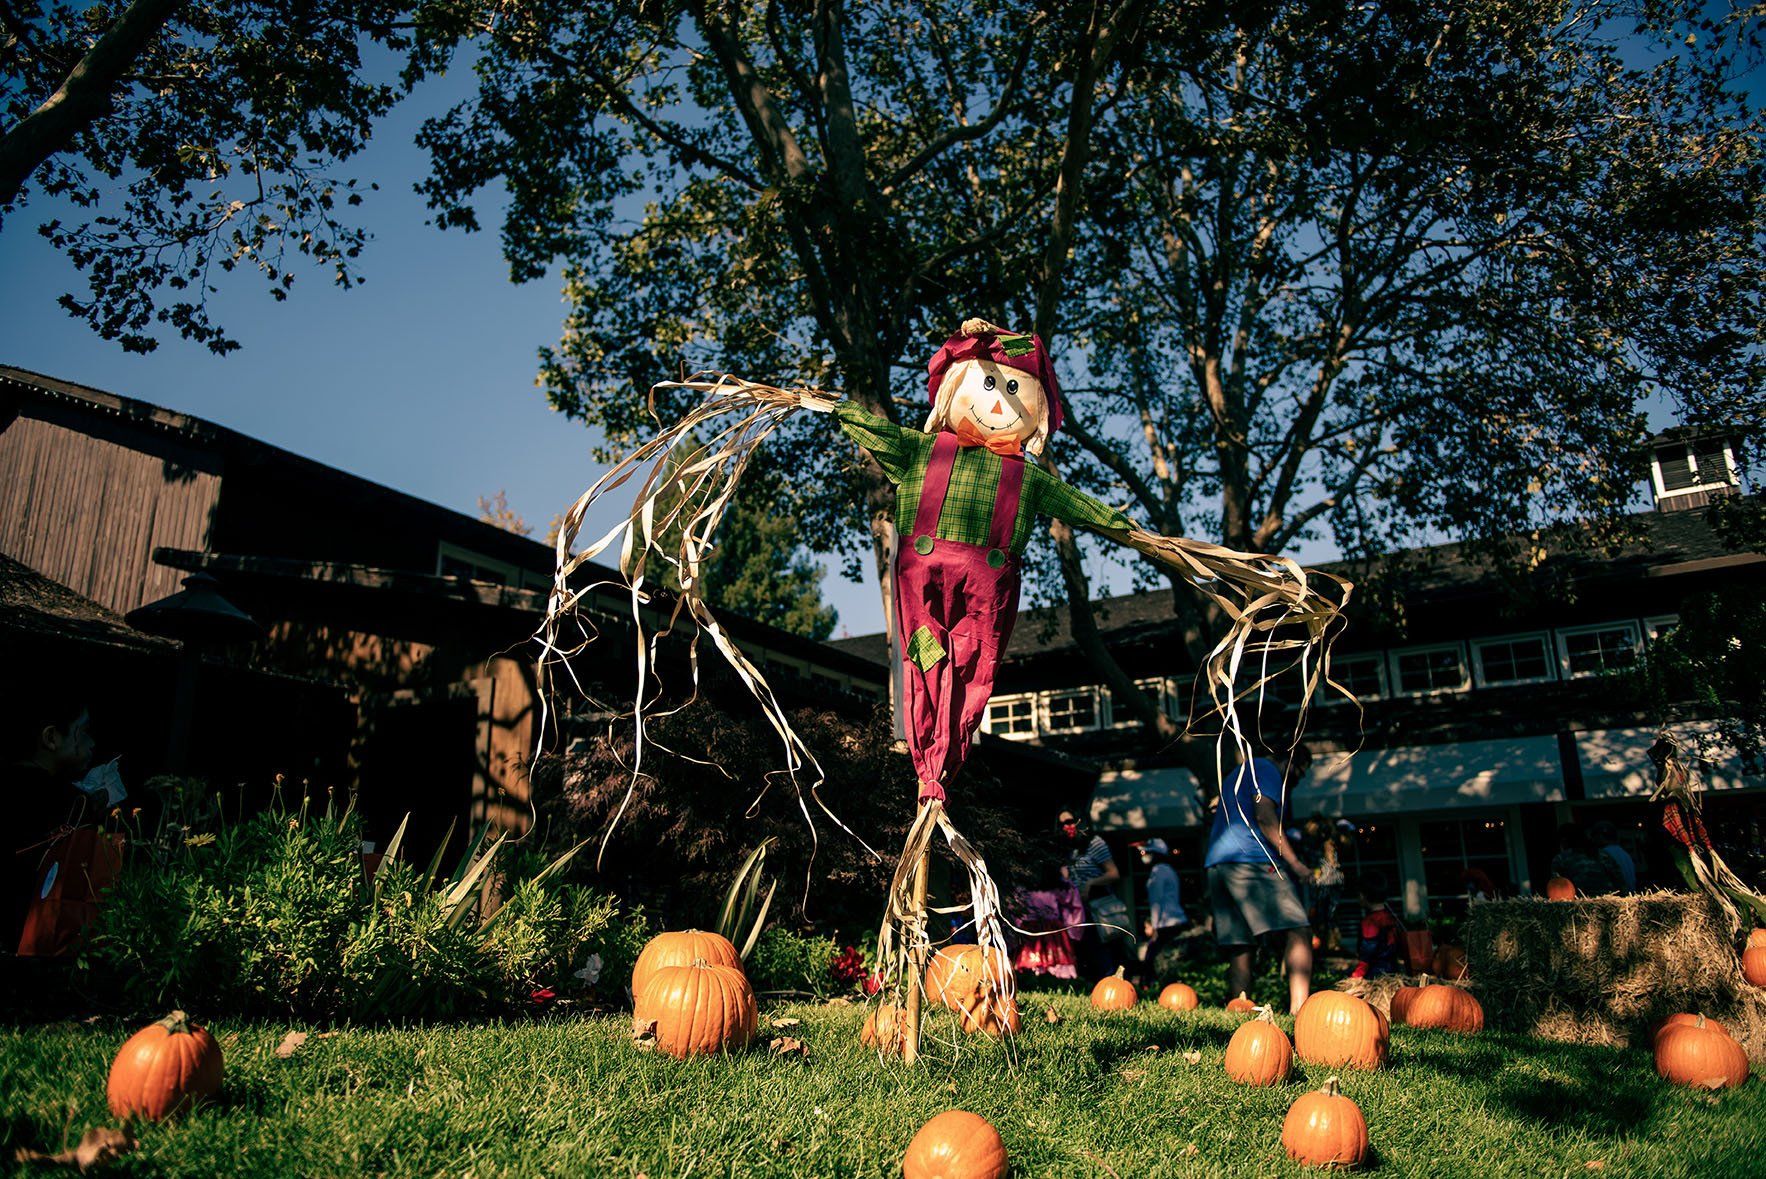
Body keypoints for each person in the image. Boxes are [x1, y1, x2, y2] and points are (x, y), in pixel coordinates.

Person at [1205, 745, 1316, 1013]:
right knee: (1299, 928)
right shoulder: (1267, 769)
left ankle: (1239, 1008)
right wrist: (1296, 865)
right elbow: (1265, 815)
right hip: (1250, 860)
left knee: (1241, 945)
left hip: (1218, 865)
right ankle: (1300, 1010)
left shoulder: (1239, 772)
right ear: (1290, 760)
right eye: (1300, 773)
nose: (1298, 781)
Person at [5, 683, 98, 953]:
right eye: (84, 732)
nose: (92, 743)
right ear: (51, 738)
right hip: (30, 941)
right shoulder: (64, 801)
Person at [1058, 807, 1124, 981]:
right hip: (1079, 910)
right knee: (1087, 951)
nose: (1066, 827)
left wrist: (1091, 884)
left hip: (1099, 907)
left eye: (1069, 822)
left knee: (1104, 951)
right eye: (1062, 824)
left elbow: (1114, 873)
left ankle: (1111, 985)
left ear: (1080, 822)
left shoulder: (1095, 843)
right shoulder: (1068, 850)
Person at [1132, 838, 1190, 985]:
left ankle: (1156, 986)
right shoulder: (1169, 870)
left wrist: (1155, 927)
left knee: (1155, 959)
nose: (1144, 856)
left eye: (1147, 852)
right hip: (1176, 921)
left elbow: (1156, 902)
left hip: (1166, 924)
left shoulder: (1158, 871)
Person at [1349, 870, 1405, 978]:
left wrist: (1357, 975)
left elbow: (1367, 952)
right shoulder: (1392, 918)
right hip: (1394, 973)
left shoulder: (1370, 922)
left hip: (1375, 975)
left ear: (1362, 895)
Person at [1550, 822, 1624, 896]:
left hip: (1581, 903)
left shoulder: (1561, 859)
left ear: (1564, 840)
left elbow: (1557, 887)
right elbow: (1619, 880)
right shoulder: (1602, 855)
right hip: (1609, 900)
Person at [1588, 819, 1637, 892]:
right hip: (1630, 896)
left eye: (1594, 836)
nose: (1593, 840)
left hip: (1618, 898)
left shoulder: (1604, 854)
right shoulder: (1624, 853)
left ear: (1600, 836)